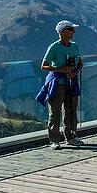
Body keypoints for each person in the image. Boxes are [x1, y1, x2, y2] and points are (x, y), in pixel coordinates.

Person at [39, 21, 84, 150]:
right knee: (55, 112)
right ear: (62, 31)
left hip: (71, 81)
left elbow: (80, 63)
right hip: (57, 83)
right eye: (70, 29)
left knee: (71, 111)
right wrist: (62, 70)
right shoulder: (53, 47)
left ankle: (71, 137)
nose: (73, 32)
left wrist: (74, 72)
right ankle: (54, 140)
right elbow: (43, 66)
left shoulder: (75, 46)